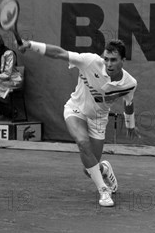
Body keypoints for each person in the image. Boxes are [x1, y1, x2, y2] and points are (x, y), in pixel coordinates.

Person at [18, 38, 138, 207]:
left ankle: (104, 169)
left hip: (98, 120)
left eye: (114, 60)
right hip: (76, 109)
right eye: (106, 59)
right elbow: (59, 53)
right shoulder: (89, 61)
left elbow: (129, 102)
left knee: (89, 169)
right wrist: (30, 45)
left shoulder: (130, 83)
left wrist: (130, 124)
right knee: (82, 142)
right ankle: (104, 191)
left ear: (123, 61)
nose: (109, 63)